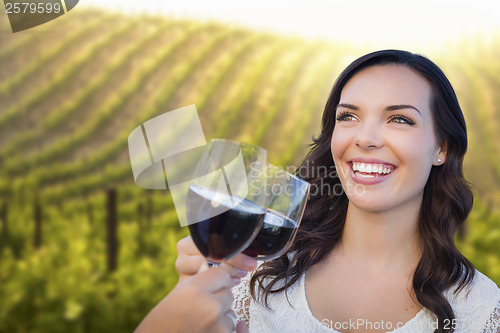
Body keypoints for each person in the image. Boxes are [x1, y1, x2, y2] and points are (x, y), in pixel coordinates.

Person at [135, 49, 500, 333]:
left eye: (399, 119)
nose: (365, 138)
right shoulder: (255, 275)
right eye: (348, 116)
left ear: (442, 148)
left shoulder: (481, 312)